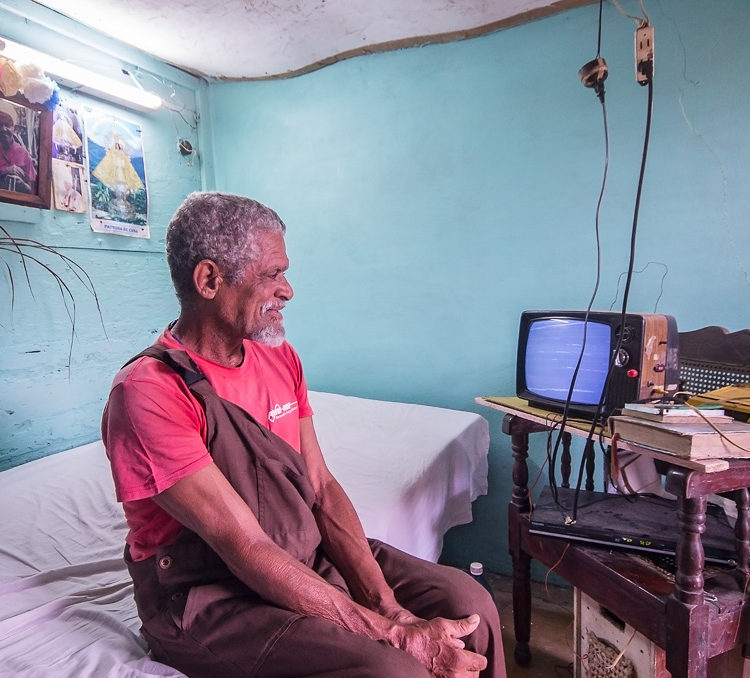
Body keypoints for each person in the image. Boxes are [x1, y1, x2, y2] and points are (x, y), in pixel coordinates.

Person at [101, 191, 506, 678]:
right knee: (391, 669)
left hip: (300, 552)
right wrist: (394, 636)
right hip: (209, 592)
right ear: (210, 279)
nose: (287, 289)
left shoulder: (279, 357)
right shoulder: (148, 392)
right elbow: (242, 545)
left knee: (467, 601)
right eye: (271, 274)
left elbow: (321, 486)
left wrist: (389, 606)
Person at [0, 110, 36, 194]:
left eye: (7, 125)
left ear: (14, 129)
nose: (3, 129)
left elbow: (34, 190)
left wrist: (22, 184)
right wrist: (4, 171)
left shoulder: (24, 153)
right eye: (0, 125)